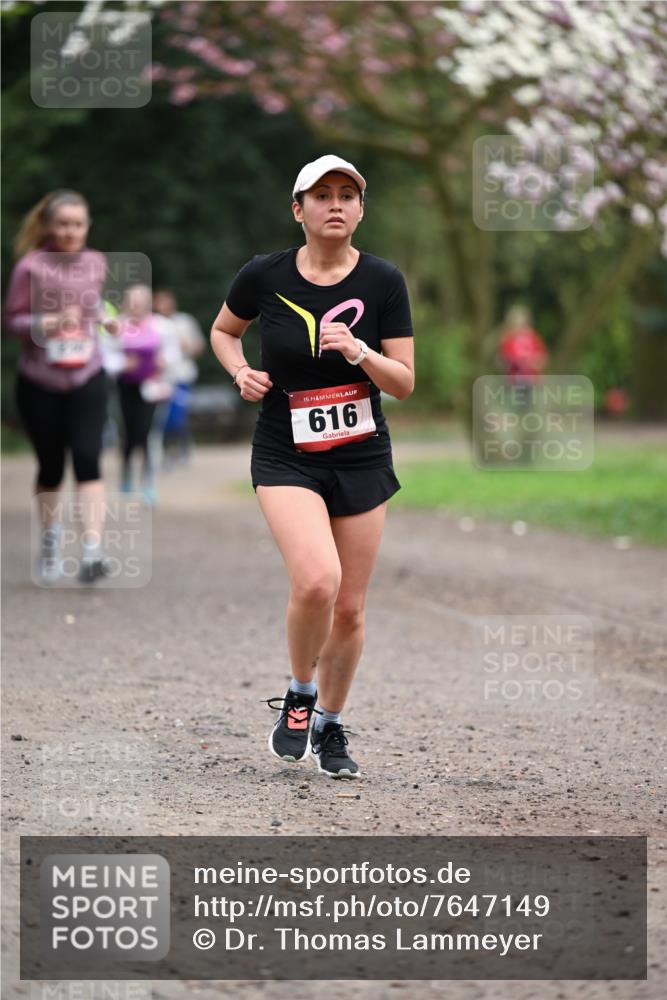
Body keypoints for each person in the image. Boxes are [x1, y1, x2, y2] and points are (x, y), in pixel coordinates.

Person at [210, 154, 415, 778]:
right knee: (318, 581)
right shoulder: (264, 274)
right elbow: (224, 331)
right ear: (298, 209)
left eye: (347, 195)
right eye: (321, 195)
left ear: (359, 210)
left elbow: (404, 383)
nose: (335, 204)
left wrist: (361, 354)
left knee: (350, 607)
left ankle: (330, 723)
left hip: (360, 455)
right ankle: (300, 693)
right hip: (284, 453)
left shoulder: (383, 282)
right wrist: (240, 370)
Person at [3, 189, 119, 584]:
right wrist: (45, 324)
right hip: (40, 380)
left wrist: (107, 319)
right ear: (50, 226)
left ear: (87, 226)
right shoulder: (30, 268)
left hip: (88, 372)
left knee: (88, 457)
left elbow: (93, 307)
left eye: (78, 224)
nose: (71, 231)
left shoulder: (96, 263)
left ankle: (92, 551)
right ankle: (51, 542)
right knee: (51, 465)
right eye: (64, 224)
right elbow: (11, 321)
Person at [116, 284, 169, 505]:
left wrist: (164, 362)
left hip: (151, 386)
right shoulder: (117, 326)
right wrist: (122, 364)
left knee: (146, 433)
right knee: (129, 434)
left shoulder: (161, 325)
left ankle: (148, 484)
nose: (137, 305)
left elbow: (172, 354)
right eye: (133, 300)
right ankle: (126, 474)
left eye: (141, 300)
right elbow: (106, 355)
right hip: (125, 386)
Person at [153, 289, 206, 467]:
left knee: (177, 417)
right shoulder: (153, 324)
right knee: (162, 419)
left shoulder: (185, 321)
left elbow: (199, 346)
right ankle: (166, 451)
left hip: (182, 376)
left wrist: (187, 346)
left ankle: (181, 448)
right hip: (160, 378)